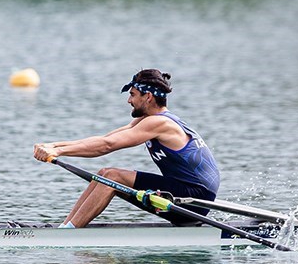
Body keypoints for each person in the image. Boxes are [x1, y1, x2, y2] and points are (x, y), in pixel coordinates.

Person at [33, 69, 220, 227]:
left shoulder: (160, 123)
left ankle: (69, 233)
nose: (129, 101)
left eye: (132, 95)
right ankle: (66, 227)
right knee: (105, 173)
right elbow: (107, 138)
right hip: (186, 192)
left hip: (194, 199)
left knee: (113, 177)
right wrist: (54, 146)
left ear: (148, 97)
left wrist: (58, 152)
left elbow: (107, 146)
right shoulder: (147, 120)